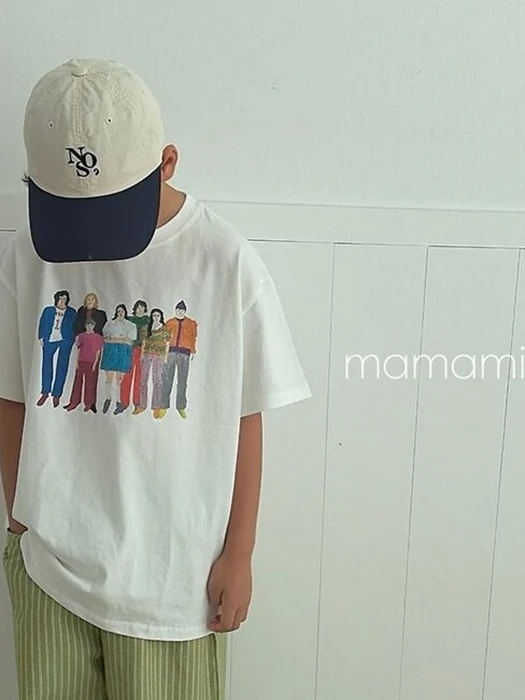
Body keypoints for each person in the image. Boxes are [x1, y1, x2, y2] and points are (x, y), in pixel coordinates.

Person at [0, 59, 311, 700]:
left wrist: (240, 552)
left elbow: (245, 414)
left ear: (167, 163)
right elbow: (11, 393)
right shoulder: (28, 252)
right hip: (50, 567)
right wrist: (19, 515)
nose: (89, 242)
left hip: (172, 583)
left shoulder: (222, 261)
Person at [36, 289, 76, 407]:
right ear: (56, 299)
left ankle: (57, 394)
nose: (62, 301)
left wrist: (72, 339)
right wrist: (41, 337)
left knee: (62, 366)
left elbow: (75, 325)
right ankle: (45, 392)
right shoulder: (48, 310)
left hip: (65, 340)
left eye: (64, 299)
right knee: (46, 365)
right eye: (60, 298)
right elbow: (43, 323)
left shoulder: (71, 312)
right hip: (50, 339)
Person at [161, 300, 198, 419]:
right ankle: (163, 405)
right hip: (170, 352)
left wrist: (193, 351)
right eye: (178, 310)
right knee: (167, 379)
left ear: (185, 311)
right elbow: (164, 338)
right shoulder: (169, 322)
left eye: (182, 310)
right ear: (175, 310)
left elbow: (193, 338)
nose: (180, 312)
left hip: (184, 354)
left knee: (182, 381)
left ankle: (181, 406)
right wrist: (163, 352)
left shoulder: (191, 323)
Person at [134, 308, 171, 419]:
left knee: (157, 381)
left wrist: (165, 357)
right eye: (154, 315)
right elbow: (144, 343)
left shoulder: (165, 329)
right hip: (147, 355)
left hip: (159, 356)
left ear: (161, 317)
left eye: (158, 315)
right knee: (143, 380)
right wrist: (142, 355)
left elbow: (167, 344)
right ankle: (142, 405)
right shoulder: (147, 328)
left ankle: (156, 406)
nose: (156, 317)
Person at [100, 304, 137, 414]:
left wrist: (115, 338)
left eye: (122, 311)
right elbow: (106, 338)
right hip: (110, 351)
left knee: (119, 380)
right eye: (118, 311)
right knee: (109, 378)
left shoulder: (131, 325)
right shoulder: (110, 323)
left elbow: (130, 340)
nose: (120, 313)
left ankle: (118, 401)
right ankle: (108, 399)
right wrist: (122, 339)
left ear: (125, 312)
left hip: (123, 352)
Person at [64, 317, 104, 413]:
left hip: (91, 362)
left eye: (91, 325)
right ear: (85, 326)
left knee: (90, 383)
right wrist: (77, 362)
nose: (89, 326)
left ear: (94, 326)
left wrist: (95, 364)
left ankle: (89, 403)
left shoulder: (98, 337)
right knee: (77, 382)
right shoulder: (81, 336)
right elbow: (78, 349)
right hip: (82, 360)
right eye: (87, 325)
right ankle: (74, 401)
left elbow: (98, 352)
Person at [118, 300, 150, 415]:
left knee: (139, 377)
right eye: (138, 307)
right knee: (126, 375)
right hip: (129, 349)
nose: (140, 309)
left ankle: (137, 402)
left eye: (142, 307)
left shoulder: (148, 320)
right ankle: (124, 402)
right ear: (135, 309)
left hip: (143, 349)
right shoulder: (129, 319)